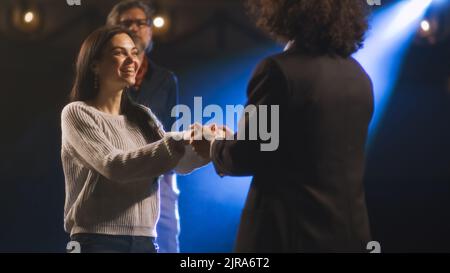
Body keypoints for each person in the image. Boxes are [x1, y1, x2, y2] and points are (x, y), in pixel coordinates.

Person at [191, 0, 374, 252]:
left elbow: (247, 156)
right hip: (349, 237)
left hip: (290, 237)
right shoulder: (359, 76)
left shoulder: (278, 70)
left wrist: (214, 145)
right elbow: (305, 148)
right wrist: (237, 138)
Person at [61, 26, 207, 253]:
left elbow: (176, 163)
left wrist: (208, 143)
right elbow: (114, 166)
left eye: (134, 52)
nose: (132, 60)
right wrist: (181, 139)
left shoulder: (143, 116)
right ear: (94, 65)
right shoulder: (77, 113)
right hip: (96, 242)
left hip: (145, 241)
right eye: (119, 53)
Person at [106, 0, 181, 253]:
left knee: (167, 240)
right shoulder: (101, 76)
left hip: (159, 177)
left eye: (141, 23)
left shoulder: (166, 79)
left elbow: (171, 129)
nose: (135, 28)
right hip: (115, 174)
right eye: (127, 23)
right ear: (113, 31)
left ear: (150, 29)